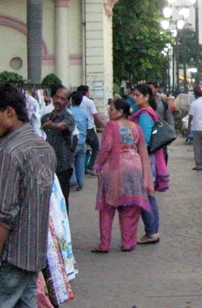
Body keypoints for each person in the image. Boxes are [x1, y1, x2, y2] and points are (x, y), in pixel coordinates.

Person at [0, 82, 56, 307]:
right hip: (33, 254)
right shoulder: (43, 148)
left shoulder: (12, 152)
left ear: (9, 112)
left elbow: (5, 213)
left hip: (11, 256)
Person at [93, 99, 154, 253]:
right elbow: (142, 148)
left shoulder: (111, 126)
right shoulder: (135, 127)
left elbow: (106, 147)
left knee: (107, 207)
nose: (109, 112)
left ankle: (104, 244)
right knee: (130, 208)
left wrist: (98, 165)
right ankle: (128, 243)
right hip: (135, 166)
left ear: (120, 112)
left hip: (114, 167)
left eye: (111, 109)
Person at [130, 83, 162, 245]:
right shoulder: (148, 112)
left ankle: (151, 231)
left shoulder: (144, 115)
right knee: (149, 194)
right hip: (148, 158)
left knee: (145, 195)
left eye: (137, 95)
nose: (134, 98)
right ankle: (153, 230)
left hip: (144, 159)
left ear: (146, 96)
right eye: (133, 95)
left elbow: (144, 140)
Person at [41, 86, 75, 206]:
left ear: (67, 102)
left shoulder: (68, 116)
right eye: (57, 97)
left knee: (62, 200)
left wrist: (52, 126)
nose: (59, 101)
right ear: (53, 97)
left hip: (62, 166)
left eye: (63, 99)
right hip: (46, 165)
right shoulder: (45, 117)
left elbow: (63, 126)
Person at [68, 91, 91, 192]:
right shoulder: (84, 113)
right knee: (80, 164)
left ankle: (73, 182)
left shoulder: (69, 112)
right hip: (82, 141)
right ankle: (80, 183)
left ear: (71, 100)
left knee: (70, 162)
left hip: (72, 141)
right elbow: (87, 127)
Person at [77, 85, 101, 176]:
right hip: (89, 128)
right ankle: (90, 166)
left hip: (79, 128)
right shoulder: (89, 101)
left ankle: (82, 167)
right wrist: (102, 124)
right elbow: (95, 115)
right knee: (96, 147)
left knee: (83, 148)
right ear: (86, 92)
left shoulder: (76, 101)